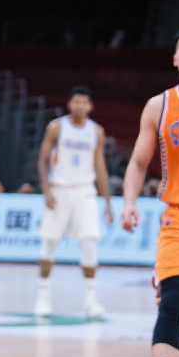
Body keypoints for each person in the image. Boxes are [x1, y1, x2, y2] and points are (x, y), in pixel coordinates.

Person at [122, 25, 179, 357]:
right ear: (174, 58)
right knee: (174, 302)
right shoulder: (159, 105)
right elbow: (138, 162)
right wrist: (129, 202)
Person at [34, 85, 113, 319]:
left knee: (89, 242)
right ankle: (42, 299)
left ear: (90, 106)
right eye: (76, 102)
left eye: (84, 102)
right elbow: (43, 160)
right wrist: (46, 189)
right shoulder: (57, 127)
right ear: (70, 104)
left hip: (85, 191)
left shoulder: (96, 131)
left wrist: (107, 200)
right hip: (59, 189)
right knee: (49, 242)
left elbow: (100, 166)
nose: (80, 106)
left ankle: (90, 302)